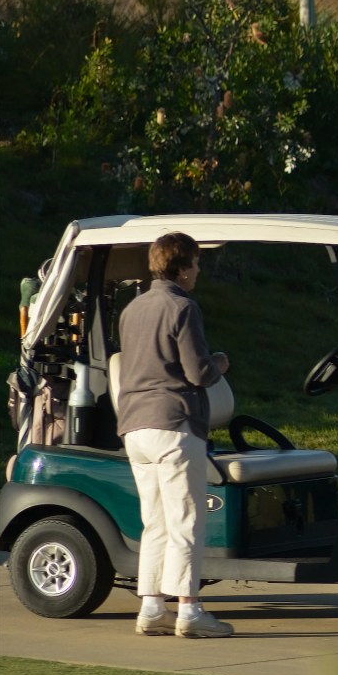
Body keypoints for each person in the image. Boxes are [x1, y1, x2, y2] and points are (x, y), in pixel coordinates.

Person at [116, 232, 233, 638]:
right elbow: (197, 372)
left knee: (156, 522)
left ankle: (151, 608)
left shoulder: (132, 310)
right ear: (182, 269)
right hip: (174, 423)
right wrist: (219, 362)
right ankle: (189, 610)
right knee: (186, 520)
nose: (198, 272)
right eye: (196, 265)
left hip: (135, 425)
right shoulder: (183, 307)